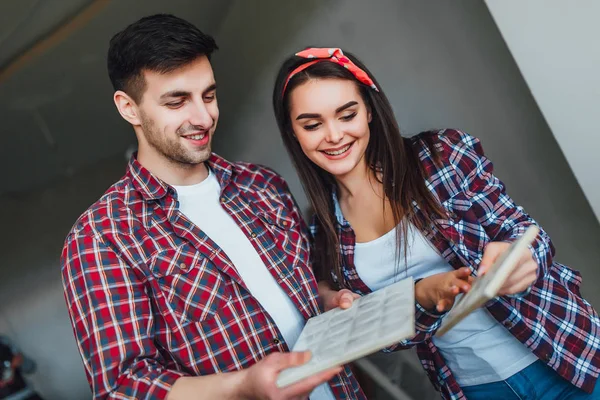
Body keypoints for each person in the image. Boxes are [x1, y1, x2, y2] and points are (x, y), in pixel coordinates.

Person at [60, 17, 365, 400]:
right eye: (177, 101)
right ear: (129, 108)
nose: (203, 117)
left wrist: (329, 298)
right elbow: (123, 386)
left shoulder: (263, 185)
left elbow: (296, 292)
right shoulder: (102, 237)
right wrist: (242, 387)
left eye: (208, 95)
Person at [271, 47, 600, 399]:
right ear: (293, 133)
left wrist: (521, 258)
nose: (334, 135)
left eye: (346, 114)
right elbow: (381, 340)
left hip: (563, 351)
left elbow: (525, 232)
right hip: (476, 388)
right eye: (312, 124)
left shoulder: (442, 155)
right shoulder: (323, 232)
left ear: (368, 109)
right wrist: (421, 297)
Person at [0, 336, 43, 400]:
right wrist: (11, 365)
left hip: (28, 394)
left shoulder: (4, 341)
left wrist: (21, 361)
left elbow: (30, 368)